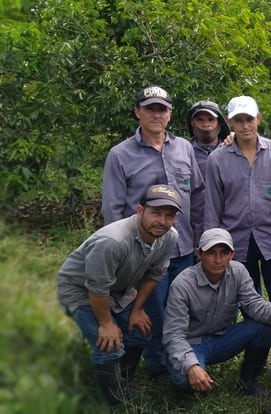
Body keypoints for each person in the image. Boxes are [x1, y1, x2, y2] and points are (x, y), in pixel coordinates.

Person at [101, 85, 206, 378]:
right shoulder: (120, 155)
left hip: (184, 246)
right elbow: (112, 208)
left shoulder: (184, 147)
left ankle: (178, 362)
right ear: (138, 112)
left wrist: (200, 239)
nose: (156, 114)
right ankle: (157, 368)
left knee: (181, 309)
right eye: (150, 109)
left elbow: (197, 195)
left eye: (162, 109)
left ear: (170, 114)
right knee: (152, 312)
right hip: (143, 253)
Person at [204, 95, 271, 372]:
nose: (245, 125)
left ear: (259, 118)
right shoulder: (218, 159)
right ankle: (255, 363)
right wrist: (213, 245)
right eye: (239, 120)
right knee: (250, 304)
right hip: (235, 242)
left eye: (250, 119)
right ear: (230, 122)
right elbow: (212, 207)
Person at [58, 184, 182, 405]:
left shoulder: (169, 236)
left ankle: (120, 382)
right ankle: (117, 403)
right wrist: (106, 323)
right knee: (109, 344)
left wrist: (137, 310)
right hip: (80, 290)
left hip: (118, 290)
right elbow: (97, 287)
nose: (162, 221)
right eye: (156, 213)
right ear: (140, 210)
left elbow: (155, 274)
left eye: (169, 216)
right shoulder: (113, 241)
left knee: (140, 329)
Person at [164, 228, 271, 395]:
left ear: (232, 254)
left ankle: (248, 380)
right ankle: (191, 370)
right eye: (211, 253)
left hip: (223, 339)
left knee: (264, 328)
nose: (218, 260)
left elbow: (254, 304)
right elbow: (173, 335)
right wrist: (191, 366)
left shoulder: (238, 271)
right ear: (198, 254)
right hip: (191, 344)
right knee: (184, 380)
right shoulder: (182, 284)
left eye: (224, 253)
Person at [187, 99, 230, 243]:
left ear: (219, 123)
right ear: (192, 123)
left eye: (211, 119)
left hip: (228, 225)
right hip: (192, 227)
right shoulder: (182, 152)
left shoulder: (231, 150)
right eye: (200, 119)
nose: (206, 124)